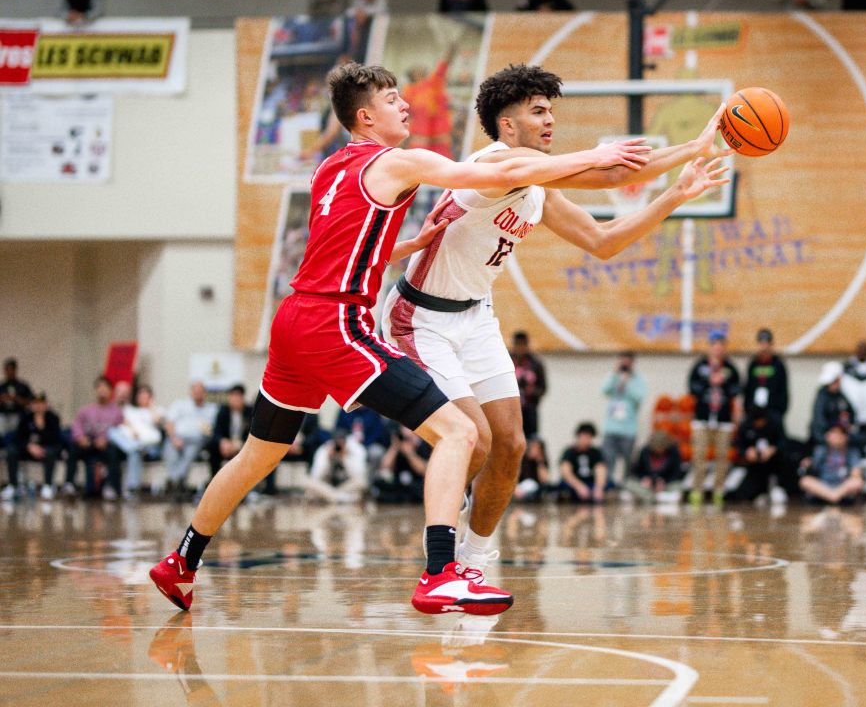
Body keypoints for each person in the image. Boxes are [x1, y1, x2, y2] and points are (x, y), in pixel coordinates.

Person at [149, 60, 651, 617]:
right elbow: (481, 177)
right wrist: (597, 157)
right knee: (460, 432)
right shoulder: (397, 160)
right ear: (366, 118)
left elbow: (338, 253)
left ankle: (181, 562)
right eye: (393, 100)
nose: (406, 106)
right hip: (335, 325)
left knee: (258, 454)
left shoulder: (330, 171)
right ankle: (441, 573)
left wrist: (412, 247)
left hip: (293, 319)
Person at [382, 62, 728, 583]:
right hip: (421, 316)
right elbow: (613, 172)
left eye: (551, 111)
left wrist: (675, 195)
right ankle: (442, 546)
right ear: (507, 125)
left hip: (475, 317)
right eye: (538, 111)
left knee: (512, 445)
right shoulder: (499, 161)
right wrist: (694, 147)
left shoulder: (542, 185)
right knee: (474, 437)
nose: (550, 121)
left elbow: (603, 241)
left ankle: (473, 560)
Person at [687, 330, 741, 506]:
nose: (717, 348)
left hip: (723, 420)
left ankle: (718, 490)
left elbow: (736, 389)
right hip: (703, 418)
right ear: (709, 347)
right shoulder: (700, 366)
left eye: (721, 345)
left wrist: (722, 383)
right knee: (700, 456)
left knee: (721, 457)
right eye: (714, 344)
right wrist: (708, 383)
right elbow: (692, 388)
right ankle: (698, 490)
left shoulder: (730, 368)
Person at [66, 376, 123, 499]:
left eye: (105, 388)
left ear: (110, 391)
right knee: (73, 450)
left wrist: (106, 440)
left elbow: (120, 431)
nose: (102, 390)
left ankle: (110, 486)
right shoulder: (85, 411)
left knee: (113, 453)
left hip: (105, 444)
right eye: (99, 387)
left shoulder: (117, 412)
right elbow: (77, 427)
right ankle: (69, 484)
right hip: (88, 443)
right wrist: (81, 438)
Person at [107, 384, 164, 499]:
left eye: (145, 396)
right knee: (113, 432)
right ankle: (132, 488)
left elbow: (158, 421)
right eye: (140, 395)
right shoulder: (131, 411)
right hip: (135, 442)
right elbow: (124, 423)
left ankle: (132, 487)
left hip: (151, 445)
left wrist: (151, 406)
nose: (142, 398)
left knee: (134, 451)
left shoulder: (157, 410)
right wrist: (132, 431)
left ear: (150, 397)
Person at [162, 381, 217, 498]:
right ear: (191, 392)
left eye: (200, 391)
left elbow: (210, 430)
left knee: (190, 452)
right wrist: (174, 439)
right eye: (195, 391)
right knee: (170, 452)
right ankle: (177, 481)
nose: (198, 394)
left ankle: (174, 481)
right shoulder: (180, 405)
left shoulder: (211, 409)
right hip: (176, 438)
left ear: (205, 393)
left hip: (197, 440)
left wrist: (207, 432)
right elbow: (169, 423)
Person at [3, 392, 62, 501]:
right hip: (27, 450)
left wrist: (41, 427)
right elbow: (18, 438)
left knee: (51, 452)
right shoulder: (25, 417)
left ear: (46, 404)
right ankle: (13, 485)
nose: (39, 406)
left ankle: (48, 485)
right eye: (36, 403)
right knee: (11, 451)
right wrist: (28, 446)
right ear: (31, 405)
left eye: (41, 403)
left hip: (45, 450)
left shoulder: (53, 418)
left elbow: (56, 439)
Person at [728, 409, 793, 504]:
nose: (758, 424)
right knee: (744, 494)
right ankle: (759, 492)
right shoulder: (746, 424)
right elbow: (738, 443)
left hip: (775, 464)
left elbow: (784, 442)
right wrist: (747, 451)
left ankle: (777, 488)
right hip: (755, 465)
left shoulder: (776, 422)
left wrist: (773, 449)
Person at [601, 351, 646, 484]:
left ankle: (627, 486)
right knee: (608, 460)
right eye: (622, 361)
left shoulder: (639, 380)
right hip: (611, 427)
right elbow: (604, 390)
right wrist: (615, 375)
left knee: (628, 462)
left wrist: (627, 383)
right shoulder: (614, 376)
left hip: (628, 429)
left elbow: (639, 398)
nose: (625, 364)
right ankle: (608, 486)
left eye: (628, 361)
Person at [800, 422, 864, 505]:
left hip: (842, 487)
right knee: (805, 481)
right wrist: (808, 465)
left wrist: (855, 475)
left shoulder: (852, 452)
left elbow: (856, 475)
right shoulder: (820, 451)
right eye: (833, 433)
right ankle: (833, 497)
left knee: (857, 482)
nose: (837, 437)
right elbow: (812, 472)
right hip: (823, 486)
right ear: (827, 436)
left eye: (840, 434)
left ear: (846, 437)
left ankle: (832, 497)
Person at [305, 429, 369, 503]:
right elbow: (316, 476)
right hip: (327, 486)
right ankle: (341, 498)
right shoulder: (324, 449)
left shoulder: (356, 448)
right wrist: (327, 459)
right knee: (309, 482)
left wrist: (345, 458)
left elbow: (358, 475)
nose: (339, 445)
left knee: (362, 482)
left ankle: (333, 497)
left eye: (342, 442)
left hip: (346, 487)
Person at [625, 430, 685, 504]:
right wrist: (644, 479)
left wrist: (664, 482)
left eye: (661, 448)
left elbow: (677, 472)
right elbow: (635, 471)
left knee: (678, 486)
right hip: (647, 486)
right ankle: (655, 497)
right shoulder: (644, 451)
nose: (658, 451)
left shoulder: (674, 452)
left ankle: (653, 497)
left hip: (666, 484)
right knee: (628, 483)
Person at [373, 425, 429, 504]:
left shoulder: (422, 447)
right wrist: (394, 447)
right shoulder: (396, 447)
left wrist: (410, 453)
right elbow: (385, 467)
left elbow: (423, 471)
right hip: (399, 484)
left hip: (417, 483)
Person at [743, 328, 789, 423]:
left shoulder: (778, 365)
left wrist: (779, 412)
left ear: (771, 345)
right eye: (761, 343)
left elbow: (783, 390)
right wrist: (747, 409)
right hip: (754, 411)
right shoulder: (753, 364)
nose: (764, 346)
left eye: (766, 343)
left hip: (773, 412)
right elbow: (748, 388)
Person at [209, 385, 252, 481]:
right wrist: (222, 442)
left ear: (243, 398)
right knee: (212, 447)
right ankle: (214, 481)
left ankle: (246, 485)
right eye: (233, 396)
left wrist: (238, 445)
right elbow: (216, 432)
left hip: (243, 446)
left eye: (238, 396)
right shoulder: (223, 411)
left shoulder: (250, 412)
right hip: (226, 446)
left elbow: (253, 433)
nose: (236, 399)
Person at [809, 361, 855, 447]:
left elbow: (851, 415)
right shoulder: (822, 396)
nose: (835, 384)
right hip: (824, 439)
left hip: (842, 438)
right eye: (833, 381)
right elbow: (819, 420)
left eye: (836, 381)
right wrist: (830, 435)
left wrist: (843, 433)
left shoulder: (842, 396)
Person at [510, 331, 547, 438]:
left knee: (531, 439)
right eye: (518, 344)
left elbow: (543, 388)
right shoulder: (507, 362)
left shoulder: (536, 363)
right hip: (511, 410)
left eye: (523, 345)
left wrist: (532, 391)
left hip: (530, 409)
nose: (520, 348)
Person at [559, 422, 607, 504]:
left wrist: (598, 488)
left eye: (589, 437)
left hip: (590, 483)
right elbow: (566, 472)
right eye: (585, 436)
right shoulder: (569, 452)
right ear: (578, 436)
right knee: (562, 487)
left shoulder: (595, 452)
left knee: (610, 485)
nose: (587, 439)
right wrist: (579, 486)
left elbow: (601, 469)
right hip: (574, 484)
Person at [0, 358, 33, 438]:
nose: (9, 372)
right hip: (3, 415)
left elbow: (30, 401)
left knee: (16, 434)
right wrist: (3, 399)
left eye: (11, 370)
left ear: (15, 370)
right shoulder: (2, 386)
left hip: (18, 414)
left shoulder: (22, 386)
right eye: (7, 370)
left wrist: (16, 398)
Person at [513, 436, 551, 503]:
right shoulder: (522, 459)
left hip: (535, 490)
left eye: (538, 448)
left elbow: (545, 480)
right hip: (520, 487)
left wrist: (540, 462)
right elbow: (515, 475)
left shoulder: (542, 461)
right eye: (533, 447)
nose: (535, 450)